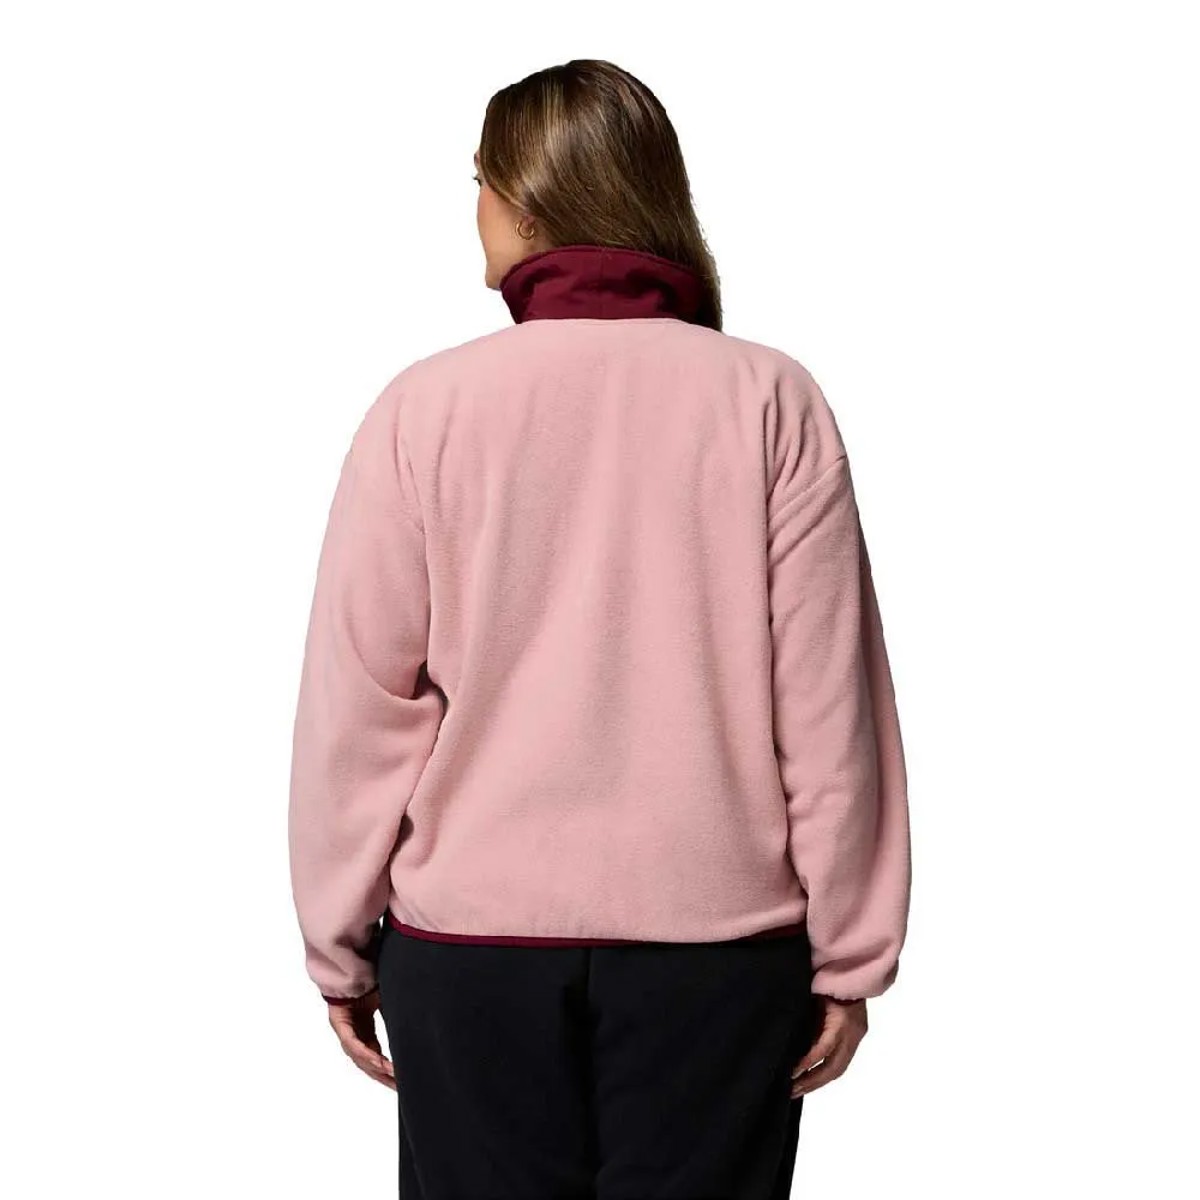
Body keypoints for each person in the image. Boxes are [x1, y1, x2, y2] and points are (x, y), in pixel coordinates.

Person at [287, 57, 911, 1200]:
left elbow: (360, 707)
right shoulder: (770, 402)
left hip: (469, 956)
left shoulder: (424, 410)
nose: (474, 207)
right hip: (719, 960)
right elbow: (828, 707)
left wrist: (337, 937)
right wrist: (851, 950)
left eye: (481, 181)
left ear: (528, 200)